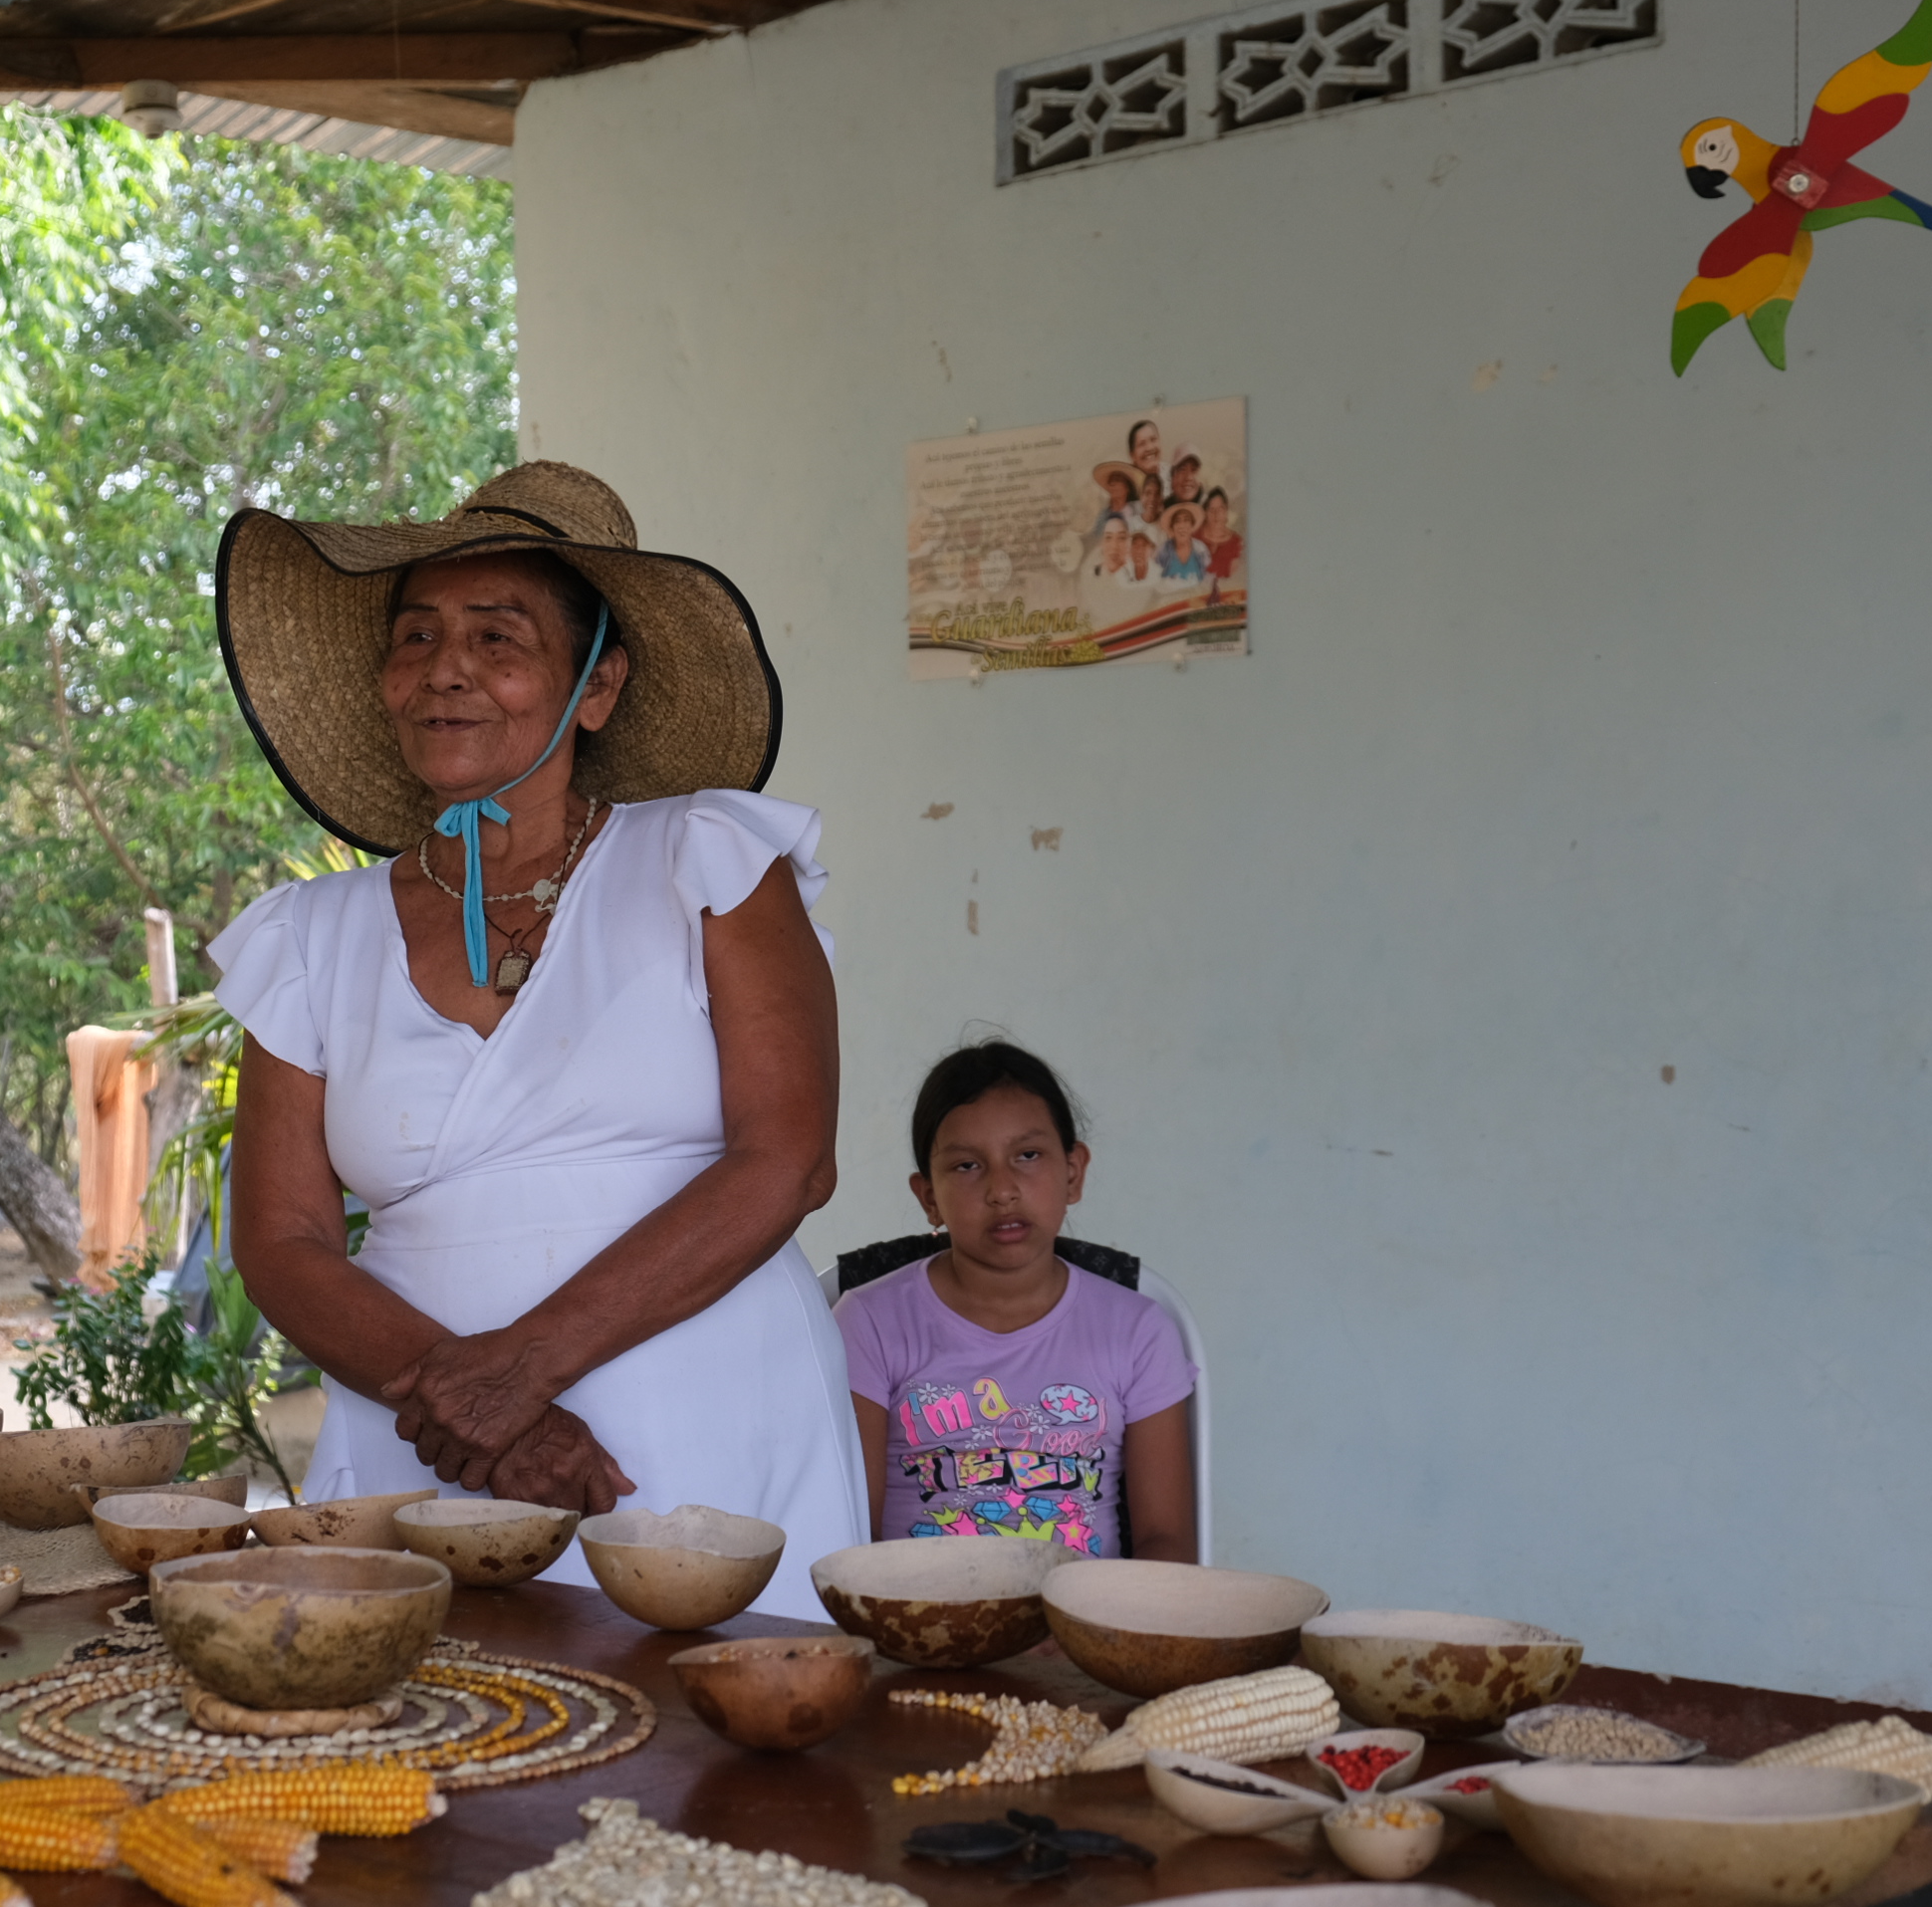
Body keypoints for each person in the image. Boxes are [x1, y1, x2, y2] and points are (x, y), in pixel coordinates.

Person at [209, 461, 864, 1616]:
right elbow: (283, 1238)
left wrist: (520, 1372)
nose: (444, 668)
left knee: (717, 1768)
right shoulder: (311, 936)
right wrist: (481, 1418)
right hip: (432, 1448)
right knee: (436, 1761)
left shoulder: (706, 862)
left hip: (702, 1422)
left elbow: (790, 1158)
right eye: (415, 637)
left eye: (496, 635)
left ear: (596, 686)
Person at [835, 1043, 1195, 1558]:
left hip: (1084, 1629)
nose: (1002, 1189)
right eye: (966, 1166)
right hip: (915, 1626)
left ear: (1073, 1173)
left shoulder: (1136, 1330)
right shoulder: (869, 1323)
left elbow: (1167, 1540)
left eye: (1027, 1156)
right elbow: (849, 1535)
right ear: (928, 1197)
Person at [1152, 500, 1210, 585]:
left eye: (1186, 520)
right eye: (1177, 521)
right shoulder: (1163, 550)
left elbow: (1207, 581)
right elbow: (1155, 581)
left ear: (1192, 525)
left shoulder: (1201, 549)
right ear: (1172, 527)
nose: (1182, 526)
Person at [1197, 488, 1245, 586]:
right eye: (1211, 510)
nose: (1216, 514)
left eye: (1220, 509)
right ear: (1205, 513)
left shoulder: (1236, 542)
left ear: (1226, 511)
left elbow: (1235, 580)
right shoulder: (1194, 536)